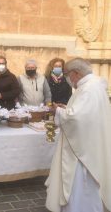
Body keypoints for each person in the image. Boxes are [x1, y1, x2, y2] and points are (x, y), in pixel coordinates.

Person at [45, 58, 111, 212]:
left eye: (67, 74)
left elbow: (76, 118)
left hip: (82, 151)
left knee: (81, 184)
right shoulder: (93, 85)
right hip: (90, 141)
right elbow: (84, 113)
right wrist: (67, 107)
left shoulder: (88, 89)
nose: (68, 78)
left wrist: (59, 111)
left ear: (76, 73)